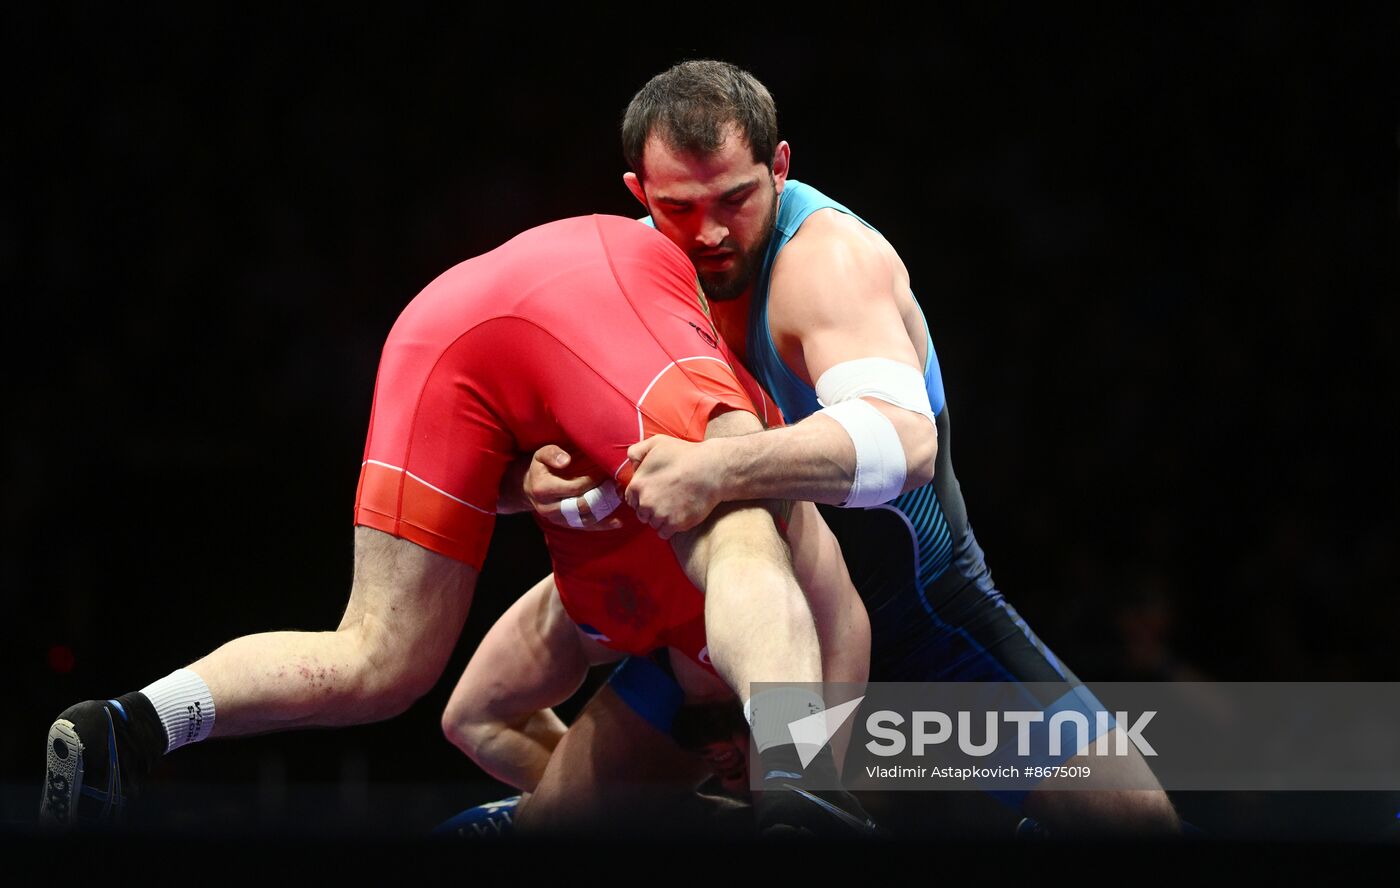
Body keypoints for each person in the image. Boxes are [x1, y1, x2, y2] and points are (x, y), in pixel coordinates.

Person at [508, 60, 1180, 837]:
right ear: (638, 195)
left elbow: (905, 440)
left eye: (737, 198)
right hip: (740, 629)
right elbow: (541, 449)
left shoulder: (825, 264)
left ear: (780, 166)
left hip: (922, 624)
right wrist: (539, 473)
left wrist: (717, 465)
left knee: (1138, 831)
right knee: (547, 830)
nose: (712, 233)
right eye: (679, 209)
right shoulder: (622, 277)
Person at [38, 214, 869, 836]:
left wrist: (661, 815)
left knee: (377, 657)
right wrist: (804, 793)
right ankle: (806, 798)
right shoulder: (802, 609)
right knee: (748, 522)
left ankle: (132, 725)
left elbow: (471, 719)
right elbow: (814, 608)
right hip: (602, 285)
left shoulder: (590, 624)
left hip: (444, 329)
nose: (722, 754)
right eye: (728, 734)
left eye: (708, 742)